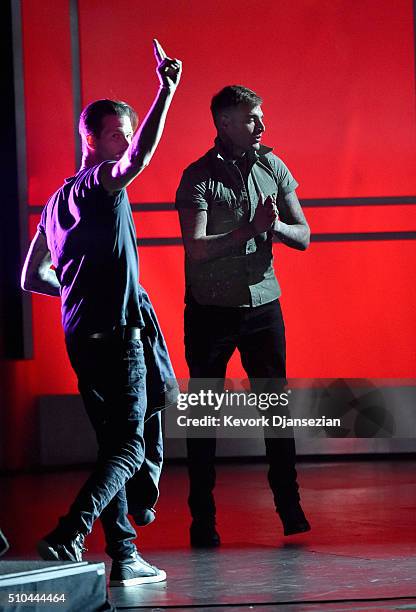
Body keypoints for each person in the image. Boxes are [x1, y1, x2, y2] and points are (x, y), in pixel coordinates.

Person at [21, 40, 181, 585]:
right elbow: (140, 157)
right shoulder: (101, 184)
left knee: (114, 448)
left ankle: (126, 556)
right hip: (115, 336)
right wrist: (166, 90)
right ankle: (68, 533)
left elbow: (31, 276)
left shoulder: (55, 201)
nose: (123, 144)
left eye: (125, 134)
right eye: (116, 134)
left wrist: (76, 293)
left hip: (81, 335)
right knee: (131, 447)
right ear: (90, 139)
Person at [175, 85, 311, 547]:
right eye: (252, 118)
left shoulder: (273, 165)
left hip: (263, 306)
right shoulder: (197, 177)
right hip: (211, 310)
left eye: (262, 116)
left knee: (277, 411)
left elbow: (305, 235)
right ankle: (203, 519)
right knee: (205, 419)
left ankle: (290, 509)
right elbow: (195, 248)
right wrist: (248, 230)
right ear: (224, 123)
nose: (262, 125)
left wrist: (272, 227)